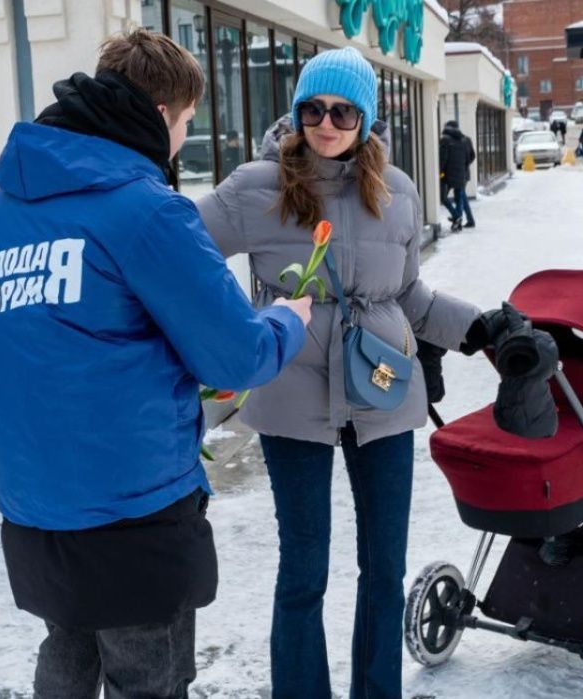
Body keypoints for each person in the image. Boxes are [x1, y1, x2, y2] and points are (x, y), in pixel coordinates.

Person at [0, 30, 311, 699]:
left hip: (36, 501)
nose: (181, 141)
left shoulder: (1, 214)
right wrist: (287, 320)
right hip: (132, 506)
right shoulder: (146, 211)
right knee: (146, 678)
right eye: (186, 124)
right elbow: (236, 354)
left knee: (67, 655)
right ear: (160, 115)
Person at [197, 47, 509, 699]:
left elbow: (410, 296)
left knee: (384, 569)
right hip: (292, 399)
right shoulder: (255, 188)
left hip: (383, 395)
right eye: (312, 109)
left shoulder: (396, 191)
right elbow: (182, 255)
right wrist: (236, 329)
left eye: (342, 111)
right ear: (296, 113)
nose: (326, 123)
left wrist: (481, 328)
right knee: (303, 570)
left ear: (364, 118)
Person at [439, 119, 476, 230]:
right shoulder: (465, 140)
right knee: (460, 197)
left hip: (451, 174)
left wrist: (440, 171)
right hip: (462, 173)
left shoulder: (447, 140)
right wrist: (463, 166)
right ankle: (463, 219)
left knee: (450, 197)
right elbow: (471, 157)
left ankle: (458, 218)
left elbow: (443, 159)